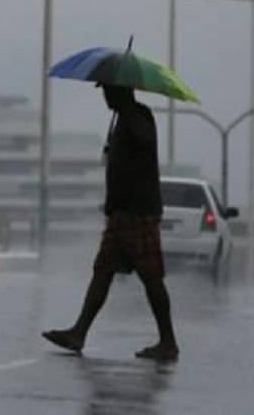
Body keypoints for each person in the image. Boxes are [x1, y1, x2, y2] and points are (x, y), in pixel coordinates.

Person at [42, 84, 179, 362]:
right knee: (102, 271)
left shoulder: (138, 116)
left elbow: (144, 141)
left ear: (121, 92)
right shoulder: (120, 120)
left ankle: (168, 342)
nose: (104, 96)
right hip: (120, 213)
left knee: (151, 277)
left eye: (107, 91)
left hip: (138, 212)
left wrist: (127, 114)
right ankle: (78, 333)